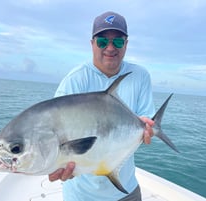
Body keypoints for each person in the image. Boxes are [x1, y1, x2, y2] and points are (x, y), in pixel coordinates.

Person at [49, 11, 155, 201]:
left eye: (118, 41)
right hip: (81, 195)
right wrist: (55, 164)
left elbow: (146, 130)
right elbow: (55, 134)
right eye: (102, 41)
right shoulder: (75, 81)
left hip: (126, 190)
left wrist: (148, 131)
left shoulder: (140, 76)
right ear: (92, 44)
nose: (110, 48)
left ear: (126, 44)